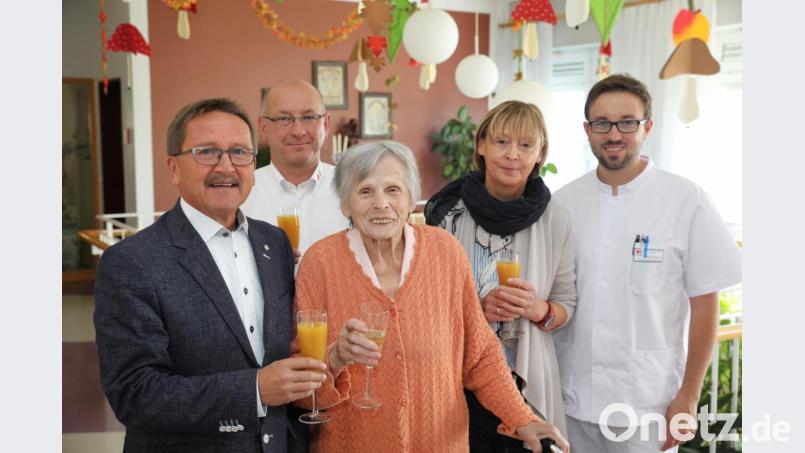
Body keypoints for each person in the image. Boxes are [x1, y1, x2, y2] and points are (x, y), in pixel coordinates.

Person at [293, 141, 570, 452]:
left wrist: (520, 416)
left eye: (394, 190)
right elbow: (301, 385)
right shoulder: (320, 262)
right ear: (345, 204)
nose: (381, 204)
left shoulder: (445, 252)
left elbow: (480, 356)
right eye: (365, 191)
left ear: (412, 198)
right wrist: (335, 358)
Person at [94, 98, 326, 453]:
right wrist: (254, 391)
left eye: (239, 152)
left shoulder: (274, 242)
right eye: (206, 152)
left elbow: (289, 346)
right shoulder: (130, 262)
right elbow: (134, 394)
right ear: (173, 167)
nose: (226, 167)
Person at [552, 74, 742, 452]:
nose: (614, 134)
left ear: (647, 127)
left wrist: (689, 395)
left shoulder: (687, 200)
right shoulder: (563, 203)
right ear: (587, 130)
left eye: (627, 122)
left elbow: (705, 304)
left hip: (647, 404)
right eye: (602, 124)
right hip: (572, 399)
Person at [425, 100, 577, 452]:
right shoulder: (447, 215)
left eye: (526, 145)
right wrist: (475, 308)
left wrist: (537, 308)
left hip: (525, 380)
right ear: (481, 145)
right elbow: (422, 304)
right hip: (456, 381)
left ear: (540, 154)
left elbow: (567, 304)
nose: (513, 155)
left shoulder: (557, 220)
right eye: (501, 142)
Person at [241, 79, 349, 256]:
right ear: (263, 127)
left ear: (326, 123)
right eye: (284, 119)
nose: (298, 131)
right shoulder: (242, 194)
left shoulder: (352, 188)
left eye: (308, 117)